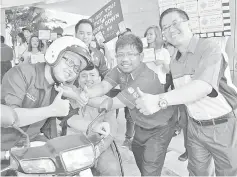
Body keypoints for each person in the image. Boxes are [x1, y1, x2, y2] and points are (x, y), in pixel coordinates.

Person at [135, 8, 237, 176]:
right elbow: (184, 96)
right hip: (195, 128)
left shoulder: (209, 48)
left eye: (175, 23)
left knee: (229, 173)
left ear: (189, 24)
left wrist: (159, 100)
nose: (170, 30)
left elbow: (203, 87)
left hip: (224, 126)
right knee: (197, 172)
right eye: (165, 27)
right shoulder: (175, 62)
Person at [59, 34, 177, 176]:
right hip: (141, 125)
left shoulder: (146, 79)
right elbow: (103, 86)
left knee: (150, 168)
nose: (125, 59)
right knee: (140, 158)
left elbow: (111, 104)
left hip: (160, 127)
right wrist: (85, 94)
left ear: (141, 56)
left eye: (131, 54)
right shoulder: (120, 69)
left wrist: (77, 95)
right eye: (120, 54)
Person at [1, 36, 91, 157]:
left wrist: (93, 126)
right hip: (3, 149)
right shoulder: (21, 74)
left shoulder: (58, 88)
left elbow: (68, 119)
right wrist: (51, 110)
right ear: (55, 53)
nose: (71, 70)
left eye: (76, 68)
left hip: (31, 145)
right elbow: (10, 118)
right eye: (70, 62)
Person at [66, 64, 122, 176]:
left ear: (100, 79)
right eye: (84, 75)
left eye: (92, 75)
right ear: (78, 78)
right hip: (72, 146)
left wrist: (98, 150)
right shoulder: (70, 95)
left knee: (112, 170)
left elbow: (111, 131)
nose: (88, 79)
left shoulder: (107, 101)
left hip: (99, 146)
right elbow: (64, 121)